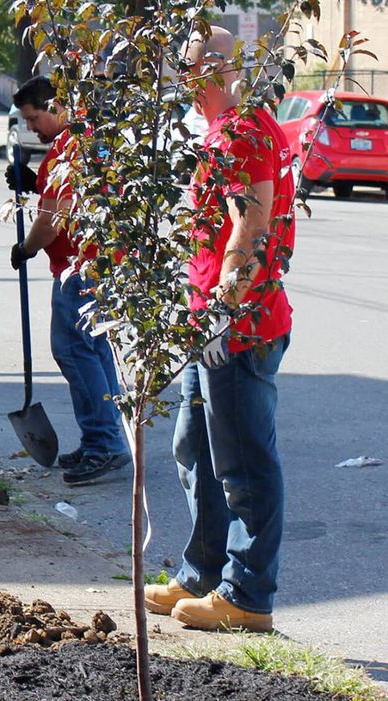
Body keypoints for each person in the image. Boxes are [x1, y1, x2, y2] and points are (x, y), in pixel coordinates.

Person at [145, 26, 295, 634]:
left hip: (237, 326)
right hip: (210, 323)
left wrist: (221, 312)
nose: (181, 81)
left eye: (186, 69)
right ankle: (203, 573)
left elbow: (251, 229)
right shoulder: (227, 130)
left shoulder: (241, 132)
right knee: (196, 450)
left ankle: (247, 595)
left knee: (243, 463)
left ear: (212, 68)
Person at [3, 76, 131, 484]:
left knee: (74, 350)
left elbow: (52, 221)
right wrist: (34, 182)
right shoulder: (88, 140)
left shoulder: (67, 150)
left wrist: (26, 248)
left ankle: (104, 444)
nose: (31, 128)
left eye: (34, 118)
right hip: (104, 263)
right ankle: (106, 439)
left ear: (55, 106)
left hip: (80, 268)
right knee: (95, 350)